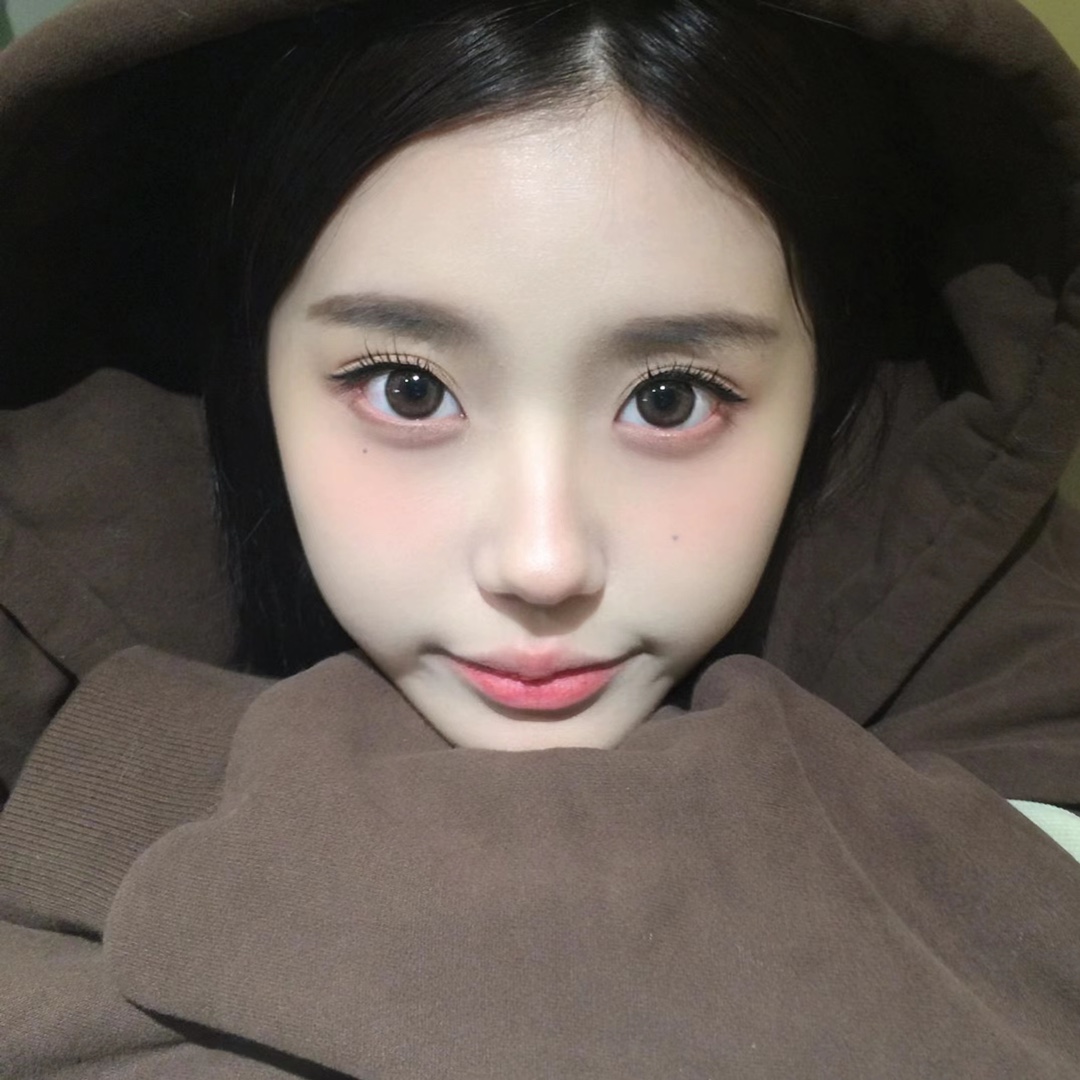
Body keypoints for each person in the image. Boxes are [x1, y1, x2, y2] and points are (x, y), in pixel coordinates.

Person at [0, 0, 1077, 1076]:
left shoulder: (1006, 620)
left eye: (669, 399)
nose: (542, 563)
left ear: (828, 379)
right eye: (410, 388)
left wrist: (153, 781)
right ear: (250, 366)